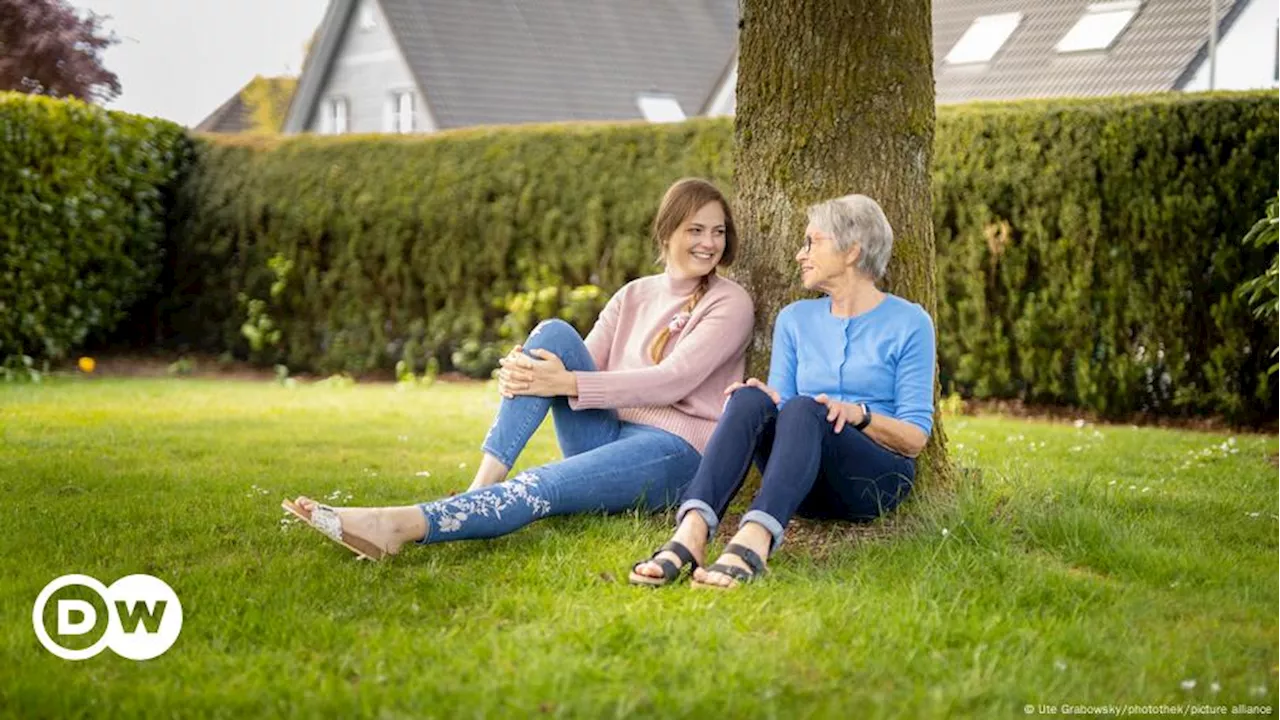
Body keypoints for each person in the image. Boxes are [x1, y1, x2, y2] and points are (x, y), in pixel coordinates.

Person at [283, 178, 755, 560]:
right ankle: (479, 485)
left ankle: (399, 526)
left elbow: (673, 379)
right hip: (607, 432)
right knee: (551, 335)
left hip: (672, 452)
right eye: (696, 229)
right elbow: (573, 360)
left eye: (718, 232)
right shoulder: (634, 293)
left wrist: (564, 381)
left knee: (542, 484)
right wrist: (533, 371)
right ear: (667, 231)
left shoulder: (729, 303)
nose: (709, 242)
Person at [629, 193, 936, 589]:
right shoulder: (794, 319)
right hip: (800, 483)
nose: (799, 254)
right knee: (750, 397)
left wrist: (859, 414)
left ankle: (754, 541)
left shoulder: (910, 322)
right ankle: (691, 534)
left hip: (872, 481)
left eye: (812, 242)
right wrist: (767, 400)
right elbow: (787, 407)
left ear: (851, 251)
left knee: (807, 408)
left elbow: (914, 439)